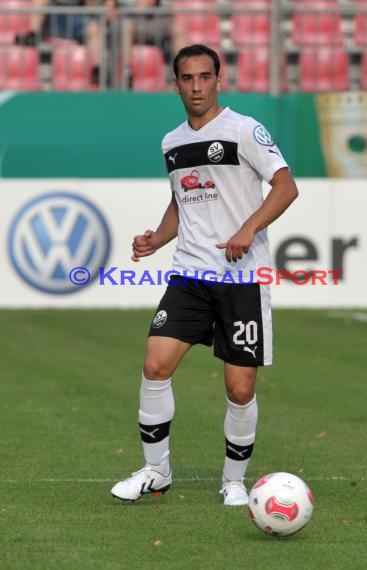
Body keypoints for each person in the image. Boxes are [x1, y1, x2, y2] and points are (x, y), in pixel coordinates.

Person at [111, 44, 299, 506]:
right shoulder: (171, 142)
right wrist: (157, 238)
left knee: (239, 389)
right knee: (155, 365)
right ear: (174, 83)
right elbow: (182, 199)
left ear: (219, 79)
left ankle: (233, 481)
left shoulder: (244, 130)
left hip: (241, 280)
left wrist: (248, 228)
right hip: (189, 276)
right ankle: (156, 471)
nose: (196, 86)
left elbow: (286, 186)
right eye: (187, 78)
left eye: (204, 77)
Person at [15, 0, 105, 85]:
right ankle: (33, 35)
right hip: (54, 16)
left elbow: (90, 6)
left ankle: (97, 70)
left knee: (94, 28)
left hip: (77, 16)